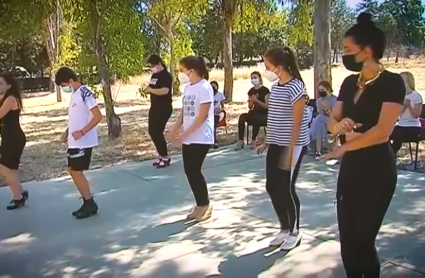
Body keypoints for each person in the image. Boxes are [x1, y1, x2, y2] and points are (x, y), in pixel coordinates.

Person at [324, 13, 406, 278]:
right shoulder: (349, 83)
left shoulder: (392, 83)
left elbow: (383, 131)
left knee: (363, 237)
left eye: (348, 49)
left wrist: (348, 142)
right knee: (348, 242)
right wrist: (337, 127)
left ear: (367, 50)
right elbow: (331, 119)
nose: (344, 54)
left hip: (378, 170)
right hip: (351, 170)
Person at [256, 47, 310, 251]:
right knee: (272, 186)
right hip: (276, 142)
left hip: (293, 145)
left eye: (267, 65)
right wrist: (267, 142)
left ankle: (295, 231)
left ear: (279, 67)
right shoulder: (277, 87)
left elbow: (297, 123)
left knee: (286, 188)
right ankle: (284, 228)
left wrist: (290, 152)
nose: (265, 69)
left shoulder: (296, 88)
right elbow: (275, 119)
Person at [168, 56, 214, 222]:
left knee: (194, 170)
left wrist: (187, 133)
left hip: (201, 137)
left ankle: (205, 205)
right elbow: (184, 111)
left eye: (182, 70)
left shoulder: (205, 88)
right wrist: (176, 126)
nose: (180, 74)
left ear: (191, 71)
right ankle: (200, 204)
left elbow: (202, 116)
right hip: (189, 136)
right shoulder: (188, 88)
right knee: (189, 171)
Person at [55, 67, 103, 219]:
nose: (64, 89)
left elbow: (97, 116)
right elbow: (78, 118)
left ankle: (90, 203)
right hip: (74, 141)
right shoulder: (75, 95)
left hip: (83, 141)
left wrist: (82, 132)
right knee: (73, 170)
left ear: (70, 80)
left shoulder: (85, 92)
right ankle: (86, 201)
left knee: (76, 171)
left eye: (63, 85)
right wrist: (67, 132)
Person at [0, 73, 28, 210]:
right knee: (12, 169)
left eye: (1, 84)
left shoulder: (10, 99)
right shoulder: (4, 97)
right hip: (10, 138)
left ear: (9, 86)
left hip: (13, 139)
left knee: (4, 168)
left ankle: (18, 197)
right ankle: (21, 193)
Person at [145, 55, 173, 168]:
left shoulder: (166, 76)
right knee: (152, 131)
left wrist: (151, 90)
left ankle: (165, 157)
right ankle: (161, 156)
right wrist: (147, 89)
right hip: (154, 107)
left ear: (159, 64)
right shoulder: (154, 75)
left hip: (164, 108)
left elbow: (165, 91)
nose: (152, 68)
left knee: (157, 132)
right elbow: (152, 87)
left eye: (153, 65)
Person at [390, 71, 423, 156]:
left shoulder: (416, 96)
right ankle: (389, 156)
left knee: (398, 136)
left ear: (408, 82)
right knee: (385, 134)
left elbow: (416, 115)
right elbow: (397, 114)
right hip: (401, 125)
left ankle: (390, 158)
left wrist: (408, 105)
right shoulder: (399, 95)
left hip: (413, 127)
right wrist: (404, 106)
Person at [235, 72, 270, 150]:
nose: (253, 80)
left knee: (256, 118)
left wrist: (257, 101)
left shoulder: (265, 90)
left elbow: (266, 106)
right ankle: (241, 141)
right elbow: (250, 107)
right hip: (255, 113)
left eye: (255, 77)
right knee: (242, 117)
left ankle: (253, 140)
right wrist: (251, 102)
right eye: (252, 78)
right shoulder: (251, 91)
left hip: (264, 114)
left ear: (259, 78)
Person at [310, 81, 337, 158]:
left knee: (318, 119)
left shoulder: (335, 100)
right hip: (323, 121)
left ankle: (318, 148)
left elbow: (335, 116)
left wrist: (327, 109)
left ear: (328, 89)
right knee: (319, 123)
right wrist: (322, 109)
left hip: (334, 120)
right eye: (319, 90)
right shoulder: (319, 101)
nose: (321, 92)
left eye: (322, 89)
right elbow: (320, 114)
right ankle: (319, 150)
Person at [211, 81, 226, 149]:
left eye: (214, 86)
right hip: (209, 114)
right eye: (211, 86)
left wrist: (219, 110)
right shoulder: (208, 95)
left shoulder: (220, 95)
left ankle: (214, 141)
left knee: (213, 123)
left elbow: (223, 107)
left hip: (217, 114)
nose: (213, 88)